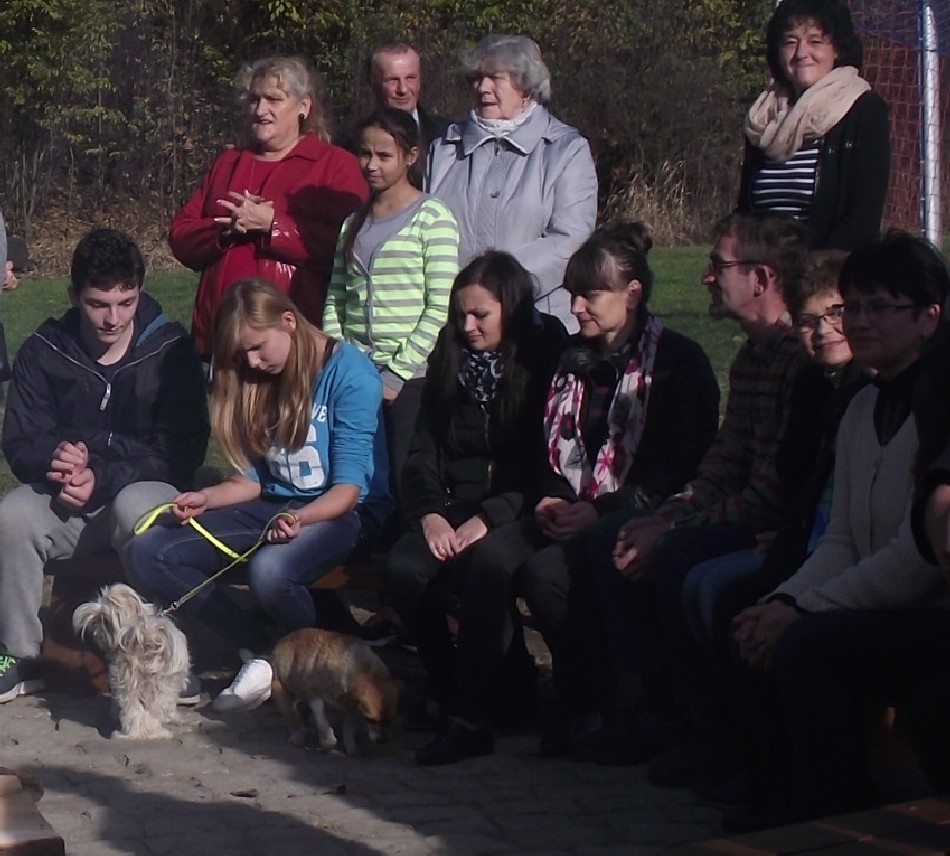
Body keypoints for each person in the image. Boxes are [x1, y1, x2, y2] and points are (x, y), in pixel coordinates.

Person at [464, 222, 718, 763]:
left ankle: (593, 701)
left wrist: (601, 510)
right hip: (565, 506)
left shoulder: (678, 363)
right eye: (572, 294)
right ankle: (495, 697)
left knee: (547, 575)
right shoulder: (568, 359)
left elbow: (679, 464)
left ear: (633, 294)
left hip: (631, 512)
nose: (576, 307)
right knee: (490, 558)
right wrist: (551, 495)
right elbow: (545, 441)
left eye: (590, 296)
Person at [724, 232, 949, 830]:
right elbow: (841, 540)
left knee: (807, 644)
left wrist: (808, 610)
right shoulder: (860, 409)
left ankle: (838, 819)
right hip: (878, 603)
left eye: (882, 307)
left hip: (930, 609)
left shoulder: (939, 409)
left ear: (929, 318)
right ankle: (776, 800)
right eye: (856, 306)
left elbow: (919, 555)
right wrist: (785, 601)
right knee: (754, 621)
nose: (862, 321)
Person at [571, 213, 808, 769]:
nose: (706, 277)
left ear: (761, 278)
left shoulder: (797, 359)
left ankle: (712, 730)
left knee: (678, 555)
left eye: (718, 266)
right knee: (619, 535)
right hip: (739, 511)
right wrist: (667, 514)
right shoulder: (751, 357)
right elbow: (723, 463)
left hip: (777, 527)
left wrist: (674, 529)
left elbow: (773, 488)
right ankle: (655, 707)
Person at [127, 279, 391, 713]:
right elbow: (256, 481)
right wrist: (207, 498)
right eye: (241, 355)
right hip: (275, 505)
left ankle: (319, 656)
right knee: (151, 551)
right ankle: (261, 647)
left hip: (343, 512)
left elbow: (349, 490)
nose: (251, 362)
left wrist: (301, 519)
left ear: (289, 322)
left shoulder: (350, 374)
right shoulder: (261, 377)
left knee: (270, 572)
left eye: (257, 347)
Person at [667, 251, 869, 807]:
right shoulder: (815, 386)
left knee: (731, 595)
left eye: (835, 315)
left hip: (838, 553)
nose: (823, 332)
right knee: (707, 582)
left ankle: (781, 775)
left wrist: (788, 541)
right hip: (805, 538)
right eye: (808, 321)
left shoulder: (866, 392)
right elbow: (790, 475)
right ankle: (733, 746)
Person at [0, 228, 209, 704]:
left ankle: (165, 657)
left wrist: (103, 476)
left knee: (136, 508)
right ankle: (18, 653)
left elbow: (181, 452)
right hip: (70, 498)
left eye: (126, 303)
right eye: (98, 305)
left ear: (140, 293)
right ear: (73, 296)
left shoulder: (170, 350)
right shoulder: (45, 349)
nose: (113, 318)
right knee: (11, 516)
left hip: (143, 490)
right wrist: (57, 461)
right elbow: (20, 440)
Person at [382, 251, 565, 763]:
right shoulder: (450, 358)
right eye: (461, 314)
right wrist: (430, 514)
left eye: (480, 315)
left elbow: (543, 461)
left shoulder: (544, 362)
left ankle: (477, 709)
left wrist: (491, 517)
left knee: (485, 566)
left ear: (511, 309)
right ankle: (448, 682)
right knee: (405, 568)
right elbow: (423, 452)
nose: (468, 327)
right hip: (455, 505)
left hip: (519, 507)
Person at [169, 55, 368, 358]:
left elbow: (352, 250)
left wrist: (273, 226)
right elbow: (181, 237)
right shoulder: (228, 164)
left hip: (296, 341)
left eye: (274, 99)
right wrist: (224, 230)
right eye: (254, 100)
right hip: (224, 338)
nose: (261, 110)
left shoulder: (336, 165)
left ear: (303, 106)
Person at [323, 107, 458, 494]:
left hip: (411, 377)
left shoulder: (433, 218)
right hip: (356, 371)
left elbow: (440, 306)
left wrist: (397, 373)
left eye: (384, 156)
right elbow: (337, 295)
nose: (371, 165)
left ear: (410, 156)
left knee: (404, 476)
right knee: (356, 473)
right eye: (365, 154)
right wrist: (340, 355)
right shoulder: (352, 223)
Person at [427, 34, 597, 331]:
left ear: (526, 86)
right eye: (476, 78)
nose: (482, 87)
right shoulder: (444, 149)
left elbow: (570, 239)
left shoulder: (565, 150)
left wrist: (498, 288)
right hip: (456, 322)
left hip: (536, 323)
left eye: (494, 78)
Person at [737, 0, 890, 250]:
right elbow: (744, 213)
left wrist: (804, 267)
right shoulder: (763, 118)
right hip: (763, 267)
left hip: (827, 268)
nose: (801, 53)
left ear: (837, 49)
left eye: (815, 41)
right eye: (790, 42)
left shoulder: (865, 112)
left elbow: (863, 222)